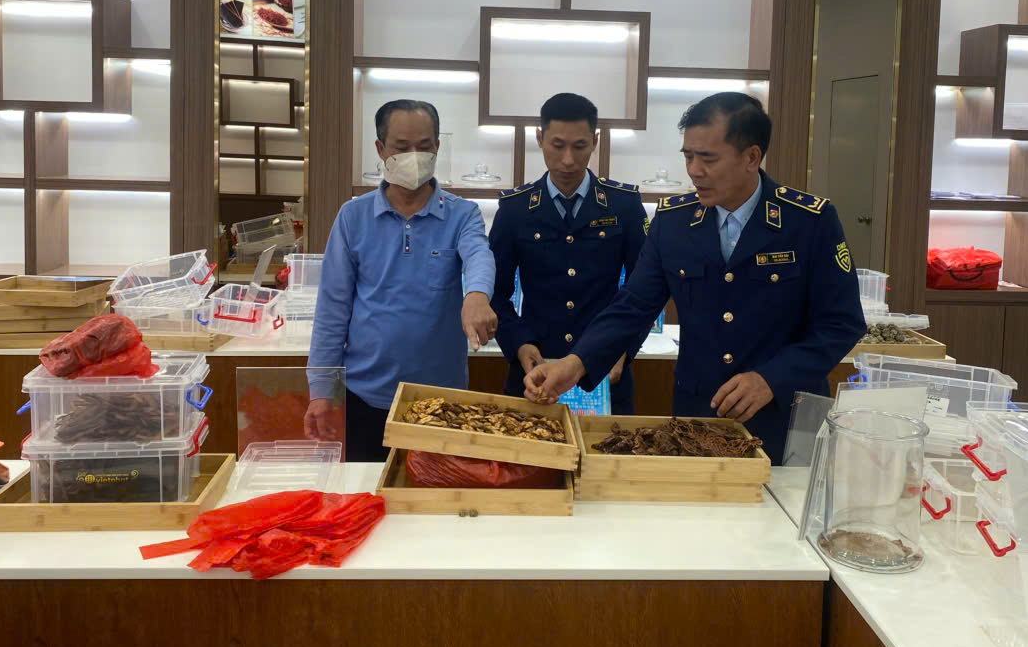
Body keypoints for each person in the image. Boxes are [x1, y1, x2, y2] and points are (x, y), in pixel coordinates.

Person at [524, 92, 866, 461]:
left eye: (708, 158)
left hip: (785, 418)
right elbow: (633, 305)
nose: (694, 170)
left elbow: (841, 324)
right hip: (698, 419)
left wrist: (771, 379)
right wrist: (575, 363)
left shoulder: (809, 222)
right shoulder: (674, 221)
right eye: (688, 156)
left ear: (751, 157)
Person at [305, 99, 498, 461]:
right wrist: (320, 390)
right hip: (366, 395)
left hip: (443, 400)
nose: (414, 157)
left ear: (437, 147)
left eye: (424, 146)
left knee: (438, 491)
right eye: (402, 147)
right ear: (381, 149)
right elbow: (332, 309)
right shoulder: (353, 217)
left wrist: (476, 295)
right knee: (369, 490)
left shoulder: (463, 214)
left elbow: (478, 255)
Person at [488, 93, 649, 414]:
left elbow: (644, 290)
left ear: (595, 141)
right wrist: (519, 343)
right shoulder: (515, 208)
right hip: (534, 366)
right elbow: (495, 292)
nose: (568, 160)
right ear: (539, 138)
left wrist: (623, 348)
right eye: (557, 145)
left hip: (604, 367)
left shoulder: (624, 205)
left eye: (579, 146)